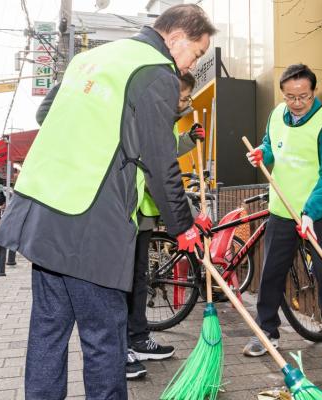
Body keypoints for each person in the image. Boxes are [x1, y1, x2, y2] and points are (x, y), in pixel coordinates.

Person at [0, 5, 216, 399]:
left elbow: (46, 112)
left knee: (48, 330)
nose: (192, 62)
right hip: (90, 222)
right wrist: (184, 226)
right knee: (104, 337)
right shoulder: (155, 72)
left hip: (43, 209)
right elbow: (161, 163)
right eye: (197, 53)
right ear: (177, 38)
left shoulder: (90, 58)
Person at [243, 64, 322, 368]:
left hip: (318, 214)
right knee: (271, 273)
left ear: (314, 92)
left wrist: (311, 213)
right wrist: (261, 154)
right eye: (291, 97)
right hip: (281, 209)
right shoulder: (277, 114)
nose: (297, 103)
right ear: (283, 94)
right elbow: (271, 146)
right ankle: (266, 331)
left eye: (303, 96)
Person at [126, 71, 205, 379]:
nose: (185, 103)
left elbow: (166, 154)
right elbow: (157, 173)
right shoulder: (148, 118)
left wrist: (187, 140)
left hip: (142, 217)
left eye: (187, 99)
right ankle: (121, 346)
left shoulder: (166, 119)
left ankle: (138, 338)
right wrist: (187, 220)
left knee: (139, 280)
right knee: (125, 284)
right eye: (182, 97)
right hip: (127, 215)